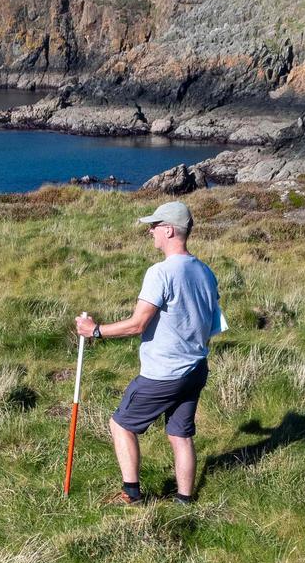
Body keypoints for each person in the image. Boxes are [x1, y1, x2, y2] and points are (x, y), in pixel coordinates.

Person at [74, 200, 225, 505]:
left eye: (154, 226)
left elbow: (138, 324)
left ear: (169, 230)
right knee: (180, 434)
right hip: (196, 368)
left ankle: (132, 495)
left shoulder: (161, 273)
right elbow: (213, 324)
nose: (151, 232)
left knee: (121, 424)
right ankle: (184, 500)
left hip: (164, 373)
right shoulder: (205, 272)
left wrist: (96, 331)